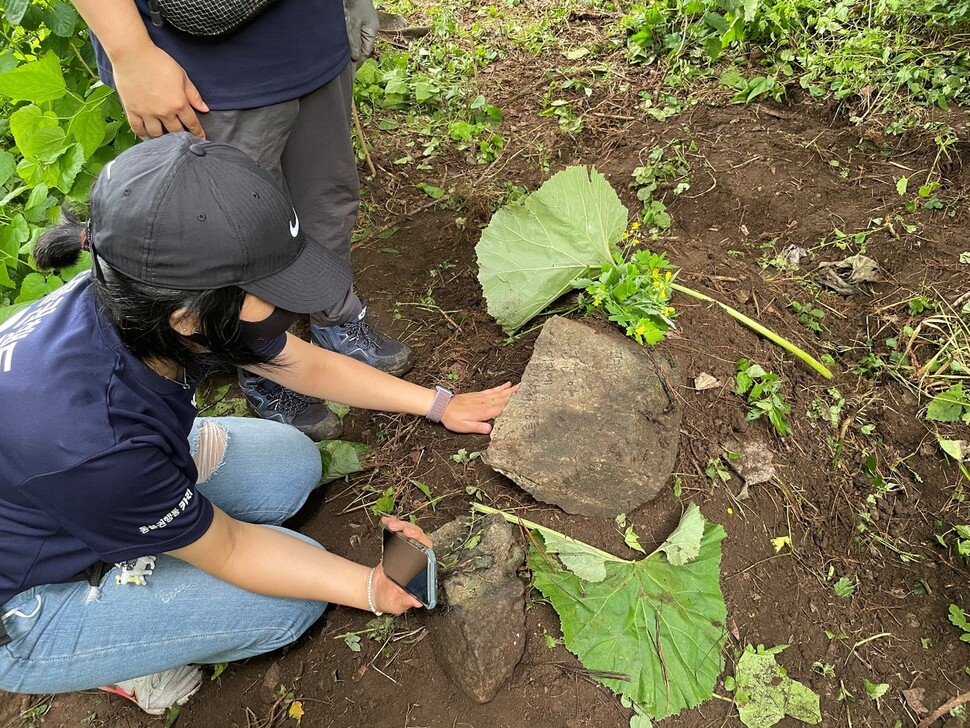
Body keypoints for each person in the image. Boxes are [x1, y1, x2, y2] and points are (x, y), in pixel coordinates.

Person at [0, 134, 516, 715]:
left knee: (289, 464)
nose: (289, 305)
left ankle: (147, 529)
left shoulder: (138, 293)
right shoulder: (97, 441)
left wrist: (438, 403)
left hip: (72, 484)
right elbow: (234, 547)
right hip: (27, 587)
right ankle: (109, 649)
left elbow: (297, 360)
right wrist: (372, 587)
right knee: (285, 607)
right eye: (269, 291)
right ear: (189, 320)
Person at [70, 0, 405, 441]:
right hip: (201, 68)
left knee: (329, 195)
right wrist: (131, 49)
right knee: (231, 243)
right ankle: (266, 364)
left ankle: (336, 316)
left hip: (308, 34)